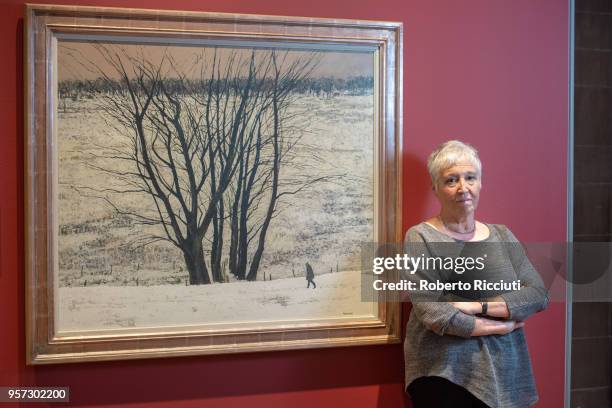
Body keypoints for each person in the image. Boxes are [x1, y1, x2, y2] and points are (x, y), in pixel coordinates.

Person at [403, 140, 549, 408]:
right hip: (445, 373)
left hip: (504, 368)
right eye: (451, 180)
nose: (463, 188)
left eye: (471, 177)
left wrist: (474, 306)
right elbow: (432, 312)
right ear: (435, 188)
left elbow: (538, 294)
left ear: (480, 183)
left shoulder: (502, 235)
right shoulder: (420, 236)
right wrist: (499, 325)